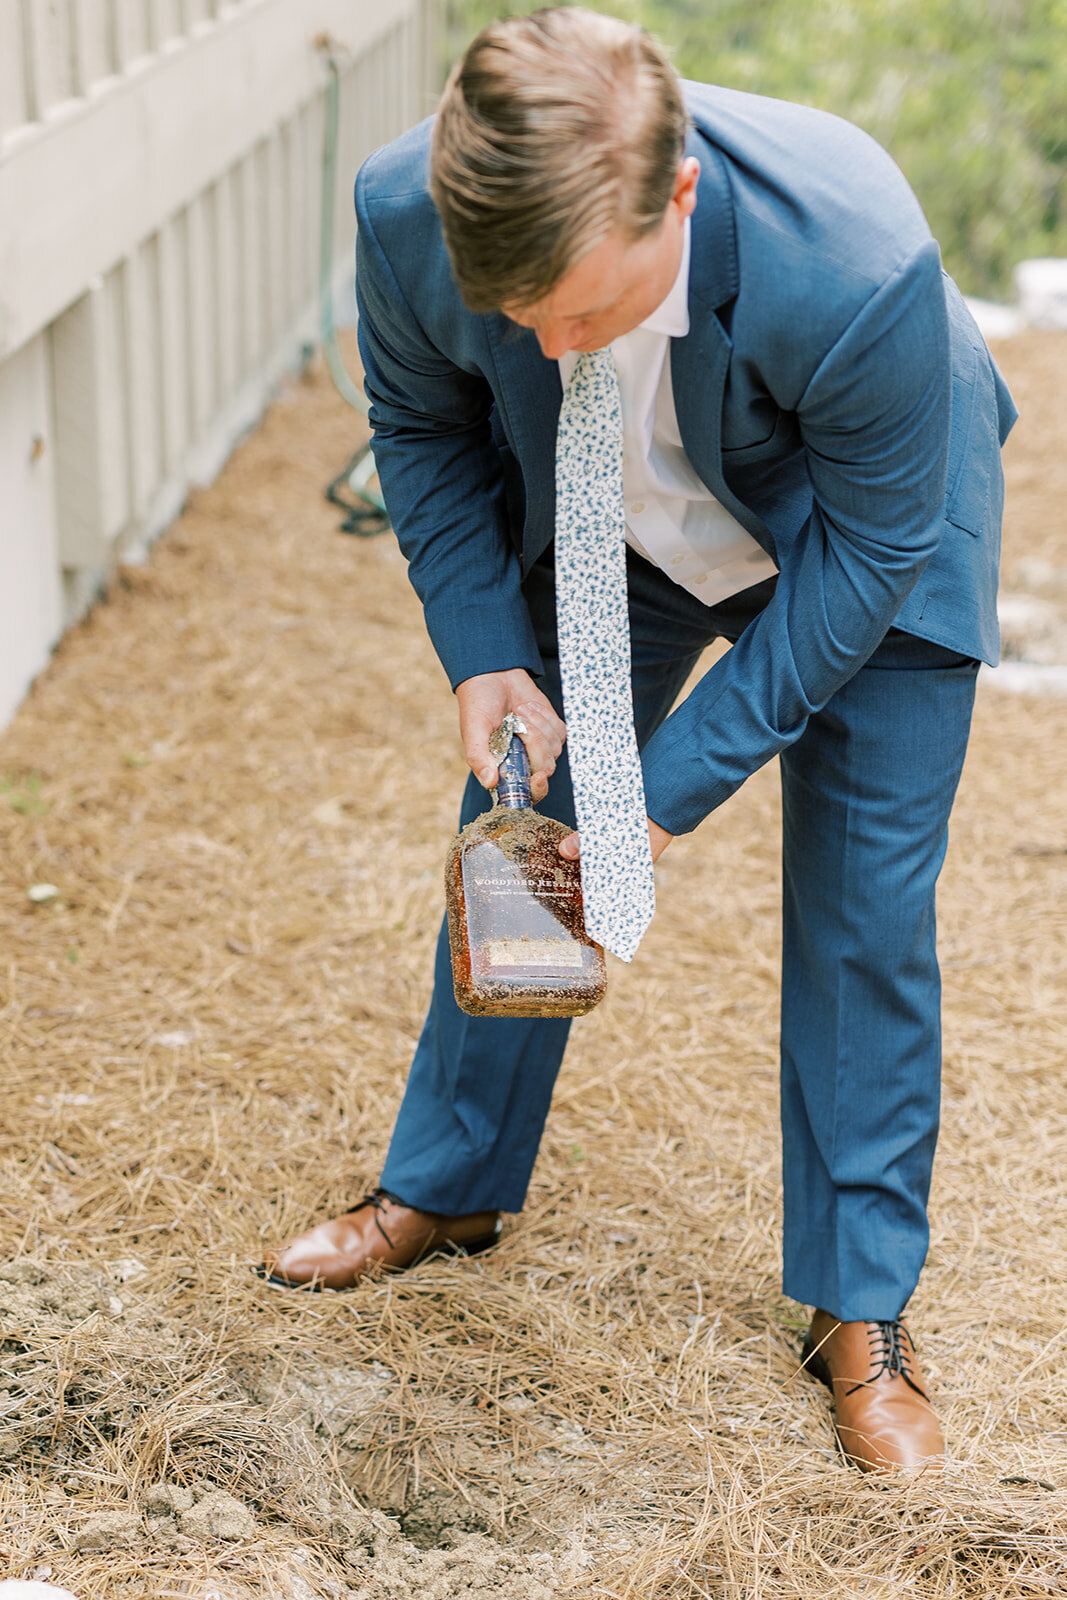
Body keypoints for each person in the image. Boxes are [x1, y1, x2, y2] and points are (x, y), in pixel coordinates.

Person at [261, 8, 1016, 1473]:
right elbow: (419, 424)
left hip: (864, 534)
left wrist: (656, 799)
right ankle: (451, 1183)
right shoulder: (408, 206)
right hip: (621, 523)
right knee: (521, 833)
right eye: (520, 317)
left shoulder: (852, 257)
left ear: (673, 199)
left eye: (585, 316)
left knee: (864, 910)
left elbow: (863, 562)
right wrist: (485, 651)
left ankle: (860, 1305)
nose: (548, 348)